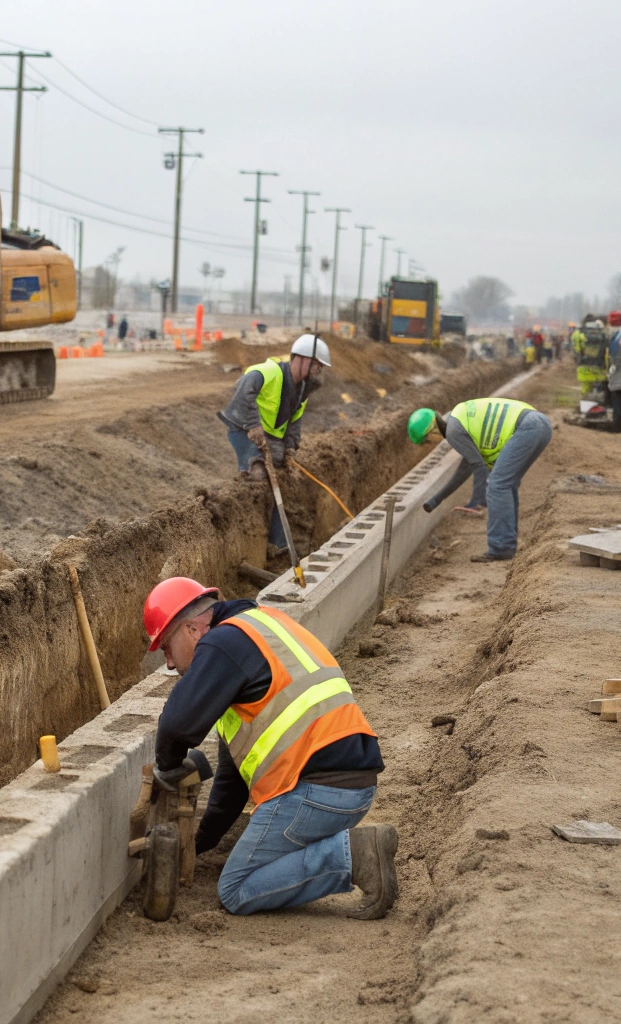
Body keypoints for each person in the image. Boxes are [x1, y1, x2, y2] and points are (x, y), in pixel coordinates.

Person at [143, 576, 396, 917]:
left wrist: (168, 766)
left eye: (166, 648)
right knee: (259, 864)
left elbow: (176, 724)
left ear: (191, 629)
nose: (170, 663)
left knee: (235, 889)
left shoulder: (221, 642)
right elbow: (232, 783)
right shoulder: (261, 628)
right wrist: (201, 842)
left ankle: (352, 856)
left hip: (316, 792)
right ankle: (347, 850)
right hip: (350, 787)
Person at [219, 333, 330, 555]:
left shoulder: (302, 390)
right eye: (316, 365)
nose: (317, 370)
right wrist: (253, 426)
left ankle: (278, 542)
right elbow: (243, 392)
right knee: (260, 474)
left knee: (279, 476)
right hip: (243, 429)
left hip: (270, 436)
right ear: (302, 359)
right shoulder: (270, 372)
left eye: (319, 366)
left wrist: (291, 446)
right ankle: (253, 537)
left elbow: (294, 421)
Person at [408, 397, 554, 561]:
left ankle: (500, 547)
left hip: (527, 428)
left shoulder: (453, 431)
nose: (431, 444)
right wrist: (436, 500)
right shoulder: (459, 420)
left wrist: (478, 499)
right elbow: (466, 467)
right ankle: (506, 544)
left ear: (431, 431)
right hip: (540, 424)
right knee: (506, 484)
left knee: (497, 485)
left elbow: (478, 466)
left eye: (427, 441)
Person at [572, 319, 608, 403]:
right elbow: (606, 354)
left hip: (584, 368)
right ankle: (598, 404)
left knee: (585, 388)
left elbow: (577, 349)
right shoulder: (603, 337)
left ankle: (584, 404)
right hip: (599, 368)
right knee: (599, 389)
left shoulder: (581, 336)